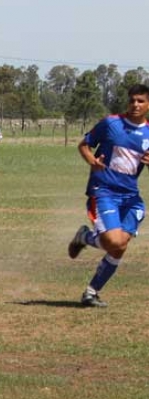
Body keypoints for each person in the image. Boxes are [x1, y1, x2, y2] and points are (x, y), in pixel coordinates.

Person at [67, 85, 149, 307]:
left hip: (131, 197)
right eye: (132, 100)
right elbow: (84, 145)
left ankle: (91, 293)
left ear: (148, 104)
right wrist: (92, 161)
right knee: (112, 241)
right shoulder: (111, 123)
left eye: (140, 101)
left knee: (119, 246)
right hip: (104, 191)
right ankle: (85, 237)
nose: (135, 104)